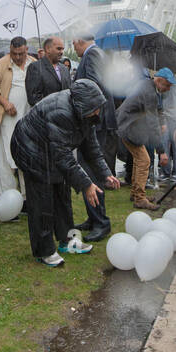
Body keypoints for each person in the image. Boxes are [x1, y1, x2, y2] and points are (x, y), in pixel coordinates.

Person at [9, 80, 119, 266]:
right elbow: (63, 156)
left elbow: (91, 147)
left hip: (50, 149)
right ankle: (44, 251)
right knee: (42, 199)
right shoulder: (61, 112)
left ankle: (67, 240)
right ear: (82, 105)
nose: (98, 112)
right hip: (30, 148)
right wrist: (86, 184)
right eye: (95, 108)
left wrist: (105, 173)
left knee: (62, 193)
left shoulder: (86, 112)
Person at [71, 28, 117, 241]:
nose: (74, 49)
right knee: (88, 170)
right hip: (97, 121)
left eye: (73, 44)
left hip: (95, 122)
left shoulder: (92, 55)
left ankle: (101, 222)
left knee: (92, 172)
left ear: (79, 40)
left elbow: (91, 87)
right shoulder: (96, 55)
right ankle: (93, 217)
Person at [0, 37, 36, 197]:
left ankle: (28, 199)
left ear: (26, 50)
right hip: (8, 118)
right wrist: (4, 102)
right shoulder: (1, 65)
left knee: (29, 156)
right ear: (10, 50)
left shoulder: (34, 64)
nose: (18, 57)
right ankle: (8, 198)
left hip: (30, 120)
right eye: (14, 53)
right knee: (6, 157)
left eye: (21, 53)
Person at [117, 69, 176, 210]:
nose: (168, 89)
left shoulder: (149, 86)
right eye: (167, 85)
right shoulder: (150, 93)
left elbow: (158, 109)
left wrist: (162, 122)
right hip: (129, 128)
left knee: (140, 160)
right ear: (159, 80)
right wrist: (161, 151)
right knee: (144, 160)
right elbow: (152, 123)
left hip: (128, 125)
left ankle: (136, 193)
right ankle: (139, 199)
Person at [25, 36, 70, 107]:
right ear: (48, 49)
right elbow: (33, 98)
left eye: (62, 49)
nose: (61, 52)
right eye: (58, 49)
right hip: (45, 115)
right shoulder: (35, 67)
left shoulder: (64, 68)